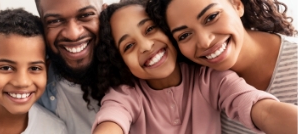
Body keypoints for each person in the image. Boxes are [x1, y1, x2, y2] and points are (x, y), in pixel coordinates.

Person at [91, 1, 297, 134]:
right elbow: (111, 122)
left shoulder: (210, 78)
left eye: (150, 29)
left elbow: (264, 111)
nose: (146, 46)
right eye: (128, 46)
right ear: (120, 62)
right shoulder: (125, 96)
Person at [0, 0, 108, 133]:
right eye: (55, 21)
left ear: (105, 12)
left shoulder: (128, 69)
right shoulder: (33, 56)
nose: (73, 33)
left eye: (86, 15)